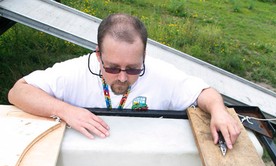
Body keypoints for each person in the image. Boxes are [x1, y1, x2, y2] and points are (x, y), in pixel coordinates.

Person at [8, 13, 240, 149]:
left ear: (144, 55)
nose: (121, 77)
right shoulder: (75, 71)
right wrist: (66, 110)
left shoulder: (161, 73)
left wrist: (219, 111)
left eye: (132, 69)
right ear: (98, 55)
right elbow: (18, 92)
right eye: (112, 67)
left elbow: (204, 93)